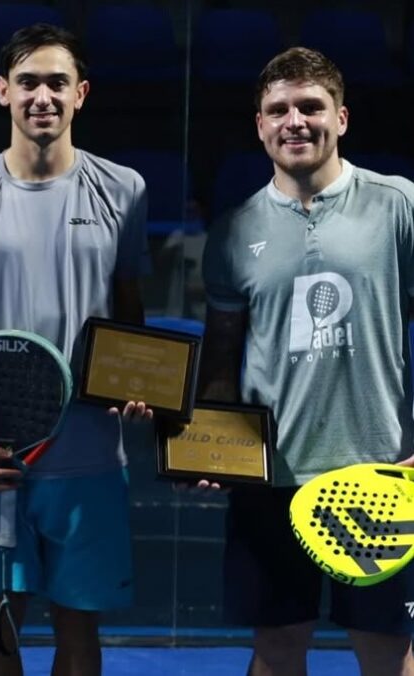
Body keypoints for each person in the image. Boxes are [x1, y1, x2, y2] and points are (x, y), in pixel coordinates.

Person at [0, 24, 152, 676]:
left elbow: (129, 316)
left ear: (81, 93)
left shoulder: (124, 191)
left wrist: (141, 386)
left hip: (90, 456)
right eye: (27, 82)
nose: (41, 95)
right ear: (2, 92)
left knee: (79, 630)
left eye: (55, 82)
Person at [198, 47, 414, 676]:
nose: (295, 120)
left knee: (389, 652)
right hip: (271, 479)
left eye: (311, 106)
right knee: (276, 649)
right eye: (279, 109)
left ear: (341, 118)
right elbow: (221, 355)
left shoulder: (399, 205)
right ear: (260, 125)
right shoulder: (234, 230)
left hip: (379, 476)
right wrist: (208, 447)